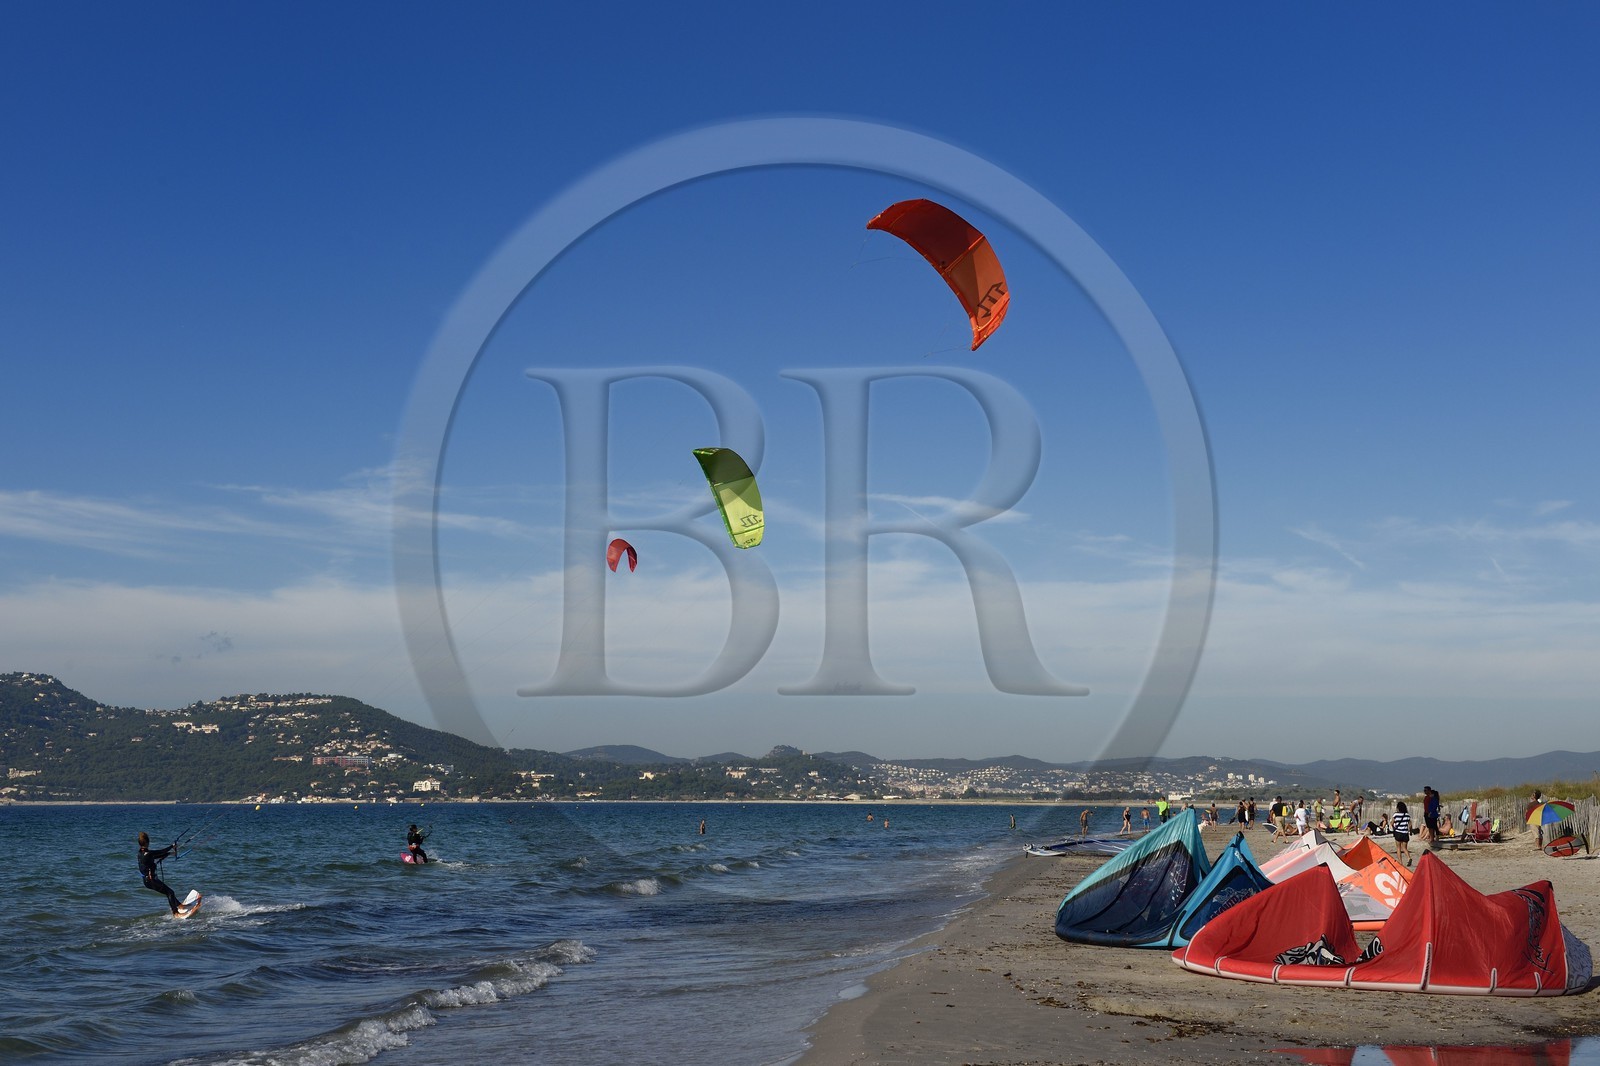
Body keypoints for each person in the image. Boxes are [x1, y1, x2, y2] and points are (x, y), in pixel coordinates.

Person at [137, 831, 182, 915]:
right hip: (151, 880)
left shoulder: (140, 853)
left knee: (168, 892)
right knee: (170, 892)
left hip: (147, 881)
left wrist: (170, 853)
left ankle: (179, 906)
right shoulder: (149, 853)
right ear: (147, 842)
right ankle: (175, 913)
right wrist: (172, 846)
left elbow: (156, 856)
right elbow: (161, 852)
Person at [1391, 802, 1413, 866]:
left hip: (1398, 833)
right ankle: (1409, 858)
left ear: (1398, 808)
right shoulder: (1407, 815)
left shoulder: (1395, 814)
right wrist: (1410, 831)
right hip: (1405, 833)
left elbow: (1392, 823)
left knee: (1398, 848)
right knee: (1404, 848)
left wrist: (1394, 828)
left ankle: (1400, 863)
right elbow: (1410, 825)